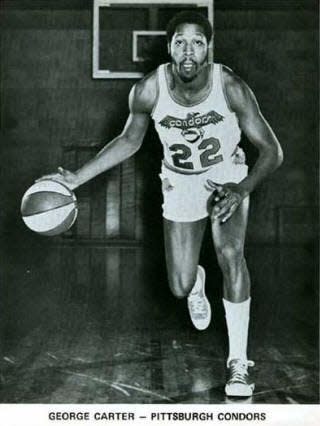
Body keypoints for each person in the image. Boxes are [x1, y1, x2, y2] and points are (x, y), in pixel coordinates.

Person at [38, 12, 283, 397]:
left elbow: (273, 151)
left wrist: (241, 188)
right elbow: (129, 141)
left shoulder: (231, 86)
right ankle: (196, 282)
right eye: (180, 42)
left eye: (198, 42)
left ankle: (238, 363)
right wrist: (75, 179)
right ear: (168, 47)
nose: (189, 50)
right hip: (180, 181)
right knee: (179, 286)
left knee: (232, 253)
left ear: (208, 48)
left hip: (227, 175)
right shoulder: (148, 90)